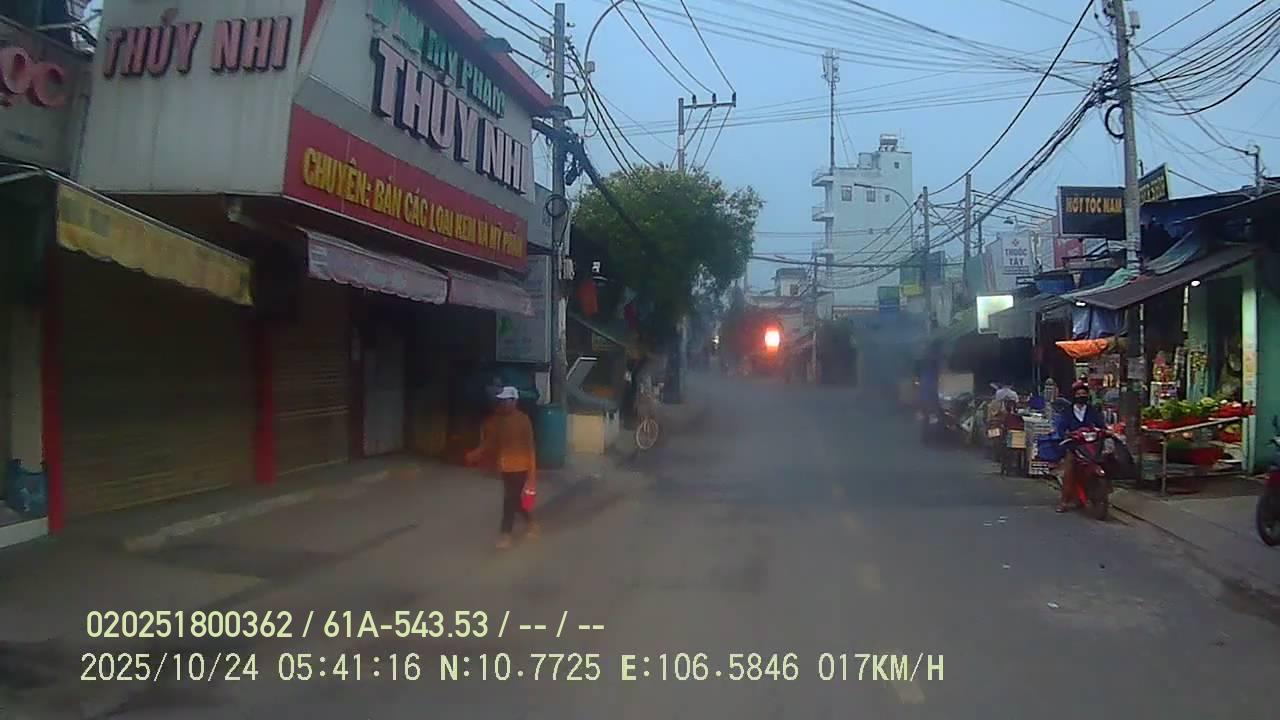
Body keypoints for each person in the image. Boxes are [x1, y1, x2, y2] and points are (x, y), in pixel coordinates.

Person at [466, 386, 539, 549]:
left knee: (509, 499)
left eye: (506, 401)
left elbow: (530, 448)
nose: (503, 404)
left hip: (520, 466)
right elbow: (490, 442)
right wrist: (476, 453)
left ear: (514, 401)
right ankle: (531, 521)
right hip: (505, 467)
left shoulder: (523, 420)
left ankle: (505, 534)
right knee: (515, 500)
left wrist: (532, 474)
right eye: (501, 401)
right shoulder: (498, 420)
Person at [1052, 381, 1107, 513]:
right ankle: (1064, 501)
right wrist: (1066, 435)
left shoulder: (1092, 411)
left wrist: (1105, 431)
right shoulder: (1067, 412)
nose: (1081, 396)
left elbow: (1101, 425)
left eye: (1083, 394)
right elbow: (1061, 428)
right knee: (1069, 471)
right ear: (1074, 396)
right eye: (1078, 394)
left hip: (1091, 445)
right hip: (1074, 446)